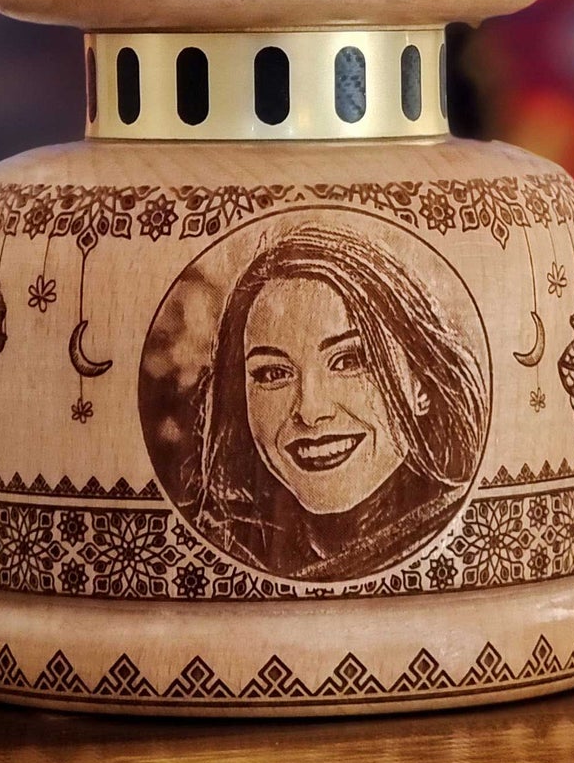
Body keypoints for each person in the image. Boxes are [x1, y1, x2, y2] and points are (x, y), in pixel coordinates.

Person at [186, 221, 488, 580]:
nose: (310, 411)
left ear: (420, 385)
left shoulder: (472, 538)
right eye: (273, 373)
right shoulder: (208, 548)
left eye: (349, 361)